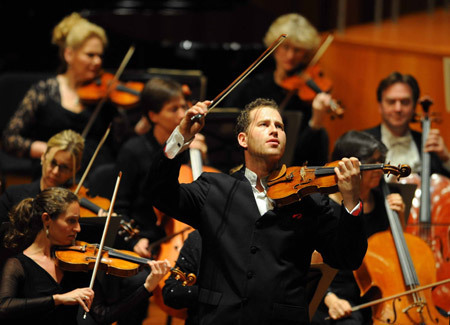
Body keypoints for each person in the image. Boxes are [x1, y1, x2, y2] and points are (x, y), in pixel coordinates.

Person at [145, 97, 367, 324]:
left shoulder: (310, 200)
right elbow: (159, 192)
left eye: (279, 127)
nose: (274, 131)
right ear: (243, 139)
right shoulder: (213, 189)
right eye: (264, 125)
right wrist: (181, 136)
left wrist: (351, 201)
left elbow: (347, 258)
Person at [0, 187, 171, 325]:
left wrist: (147, 288)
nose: (78, 229)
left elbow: (103, 315)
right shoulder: (18, 265)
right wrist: (58, 299)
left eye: (78, 221)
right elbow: (5, 307)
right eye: (71, 221)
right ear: (47, 220)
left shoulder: (76, 264)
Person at [1, 12, 121, 179]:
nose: (98, 62)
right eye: (90, 55)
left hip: (95, 177)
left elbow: (122, 141)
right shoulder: (44, 91)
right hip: (54, 176)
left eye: (100, 55)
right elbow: (9, 139)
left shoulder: (105, 96)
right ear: (69, 54)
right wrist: (50, 150)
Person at [311, 130, 405, 324]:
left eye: (381, 161)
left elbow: (391, 253)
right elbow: (310, 265)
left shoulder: (383, 201)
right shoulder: (323, 207)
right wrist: (330, 298)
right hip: (337, 296)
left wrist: (399, 220)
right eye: (372, 163)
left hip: (377, 295)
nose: (380, 169)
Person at [223, 13, 333, 166]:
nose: (290, 55)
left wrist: (316, 122)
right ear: (274, 46)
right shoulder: (252, 87)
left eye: (298, 50)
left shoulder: (309, 97)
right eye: (285, 47)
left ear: (306, 54)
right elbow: (226, 128)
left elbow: (313, 156)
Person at [115, 77, 207, 258]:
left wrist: (201, 158)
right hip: (147, 243)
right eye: (173, 109)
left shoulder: (191, 149)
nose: (182, 114)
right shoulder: (133, 151)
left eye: (183, 106)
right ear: (153, 115)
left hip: (184, 240)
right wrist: (134, 240)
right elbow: (119, 208)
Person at [364, 71, 450, 177]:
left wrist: (446, 159)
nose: (398, 109)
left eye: (405, 102)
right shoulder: (363, 141)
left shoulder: (428, 144)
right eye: (391, 102)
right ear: (380, 106)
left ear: (414, 106)